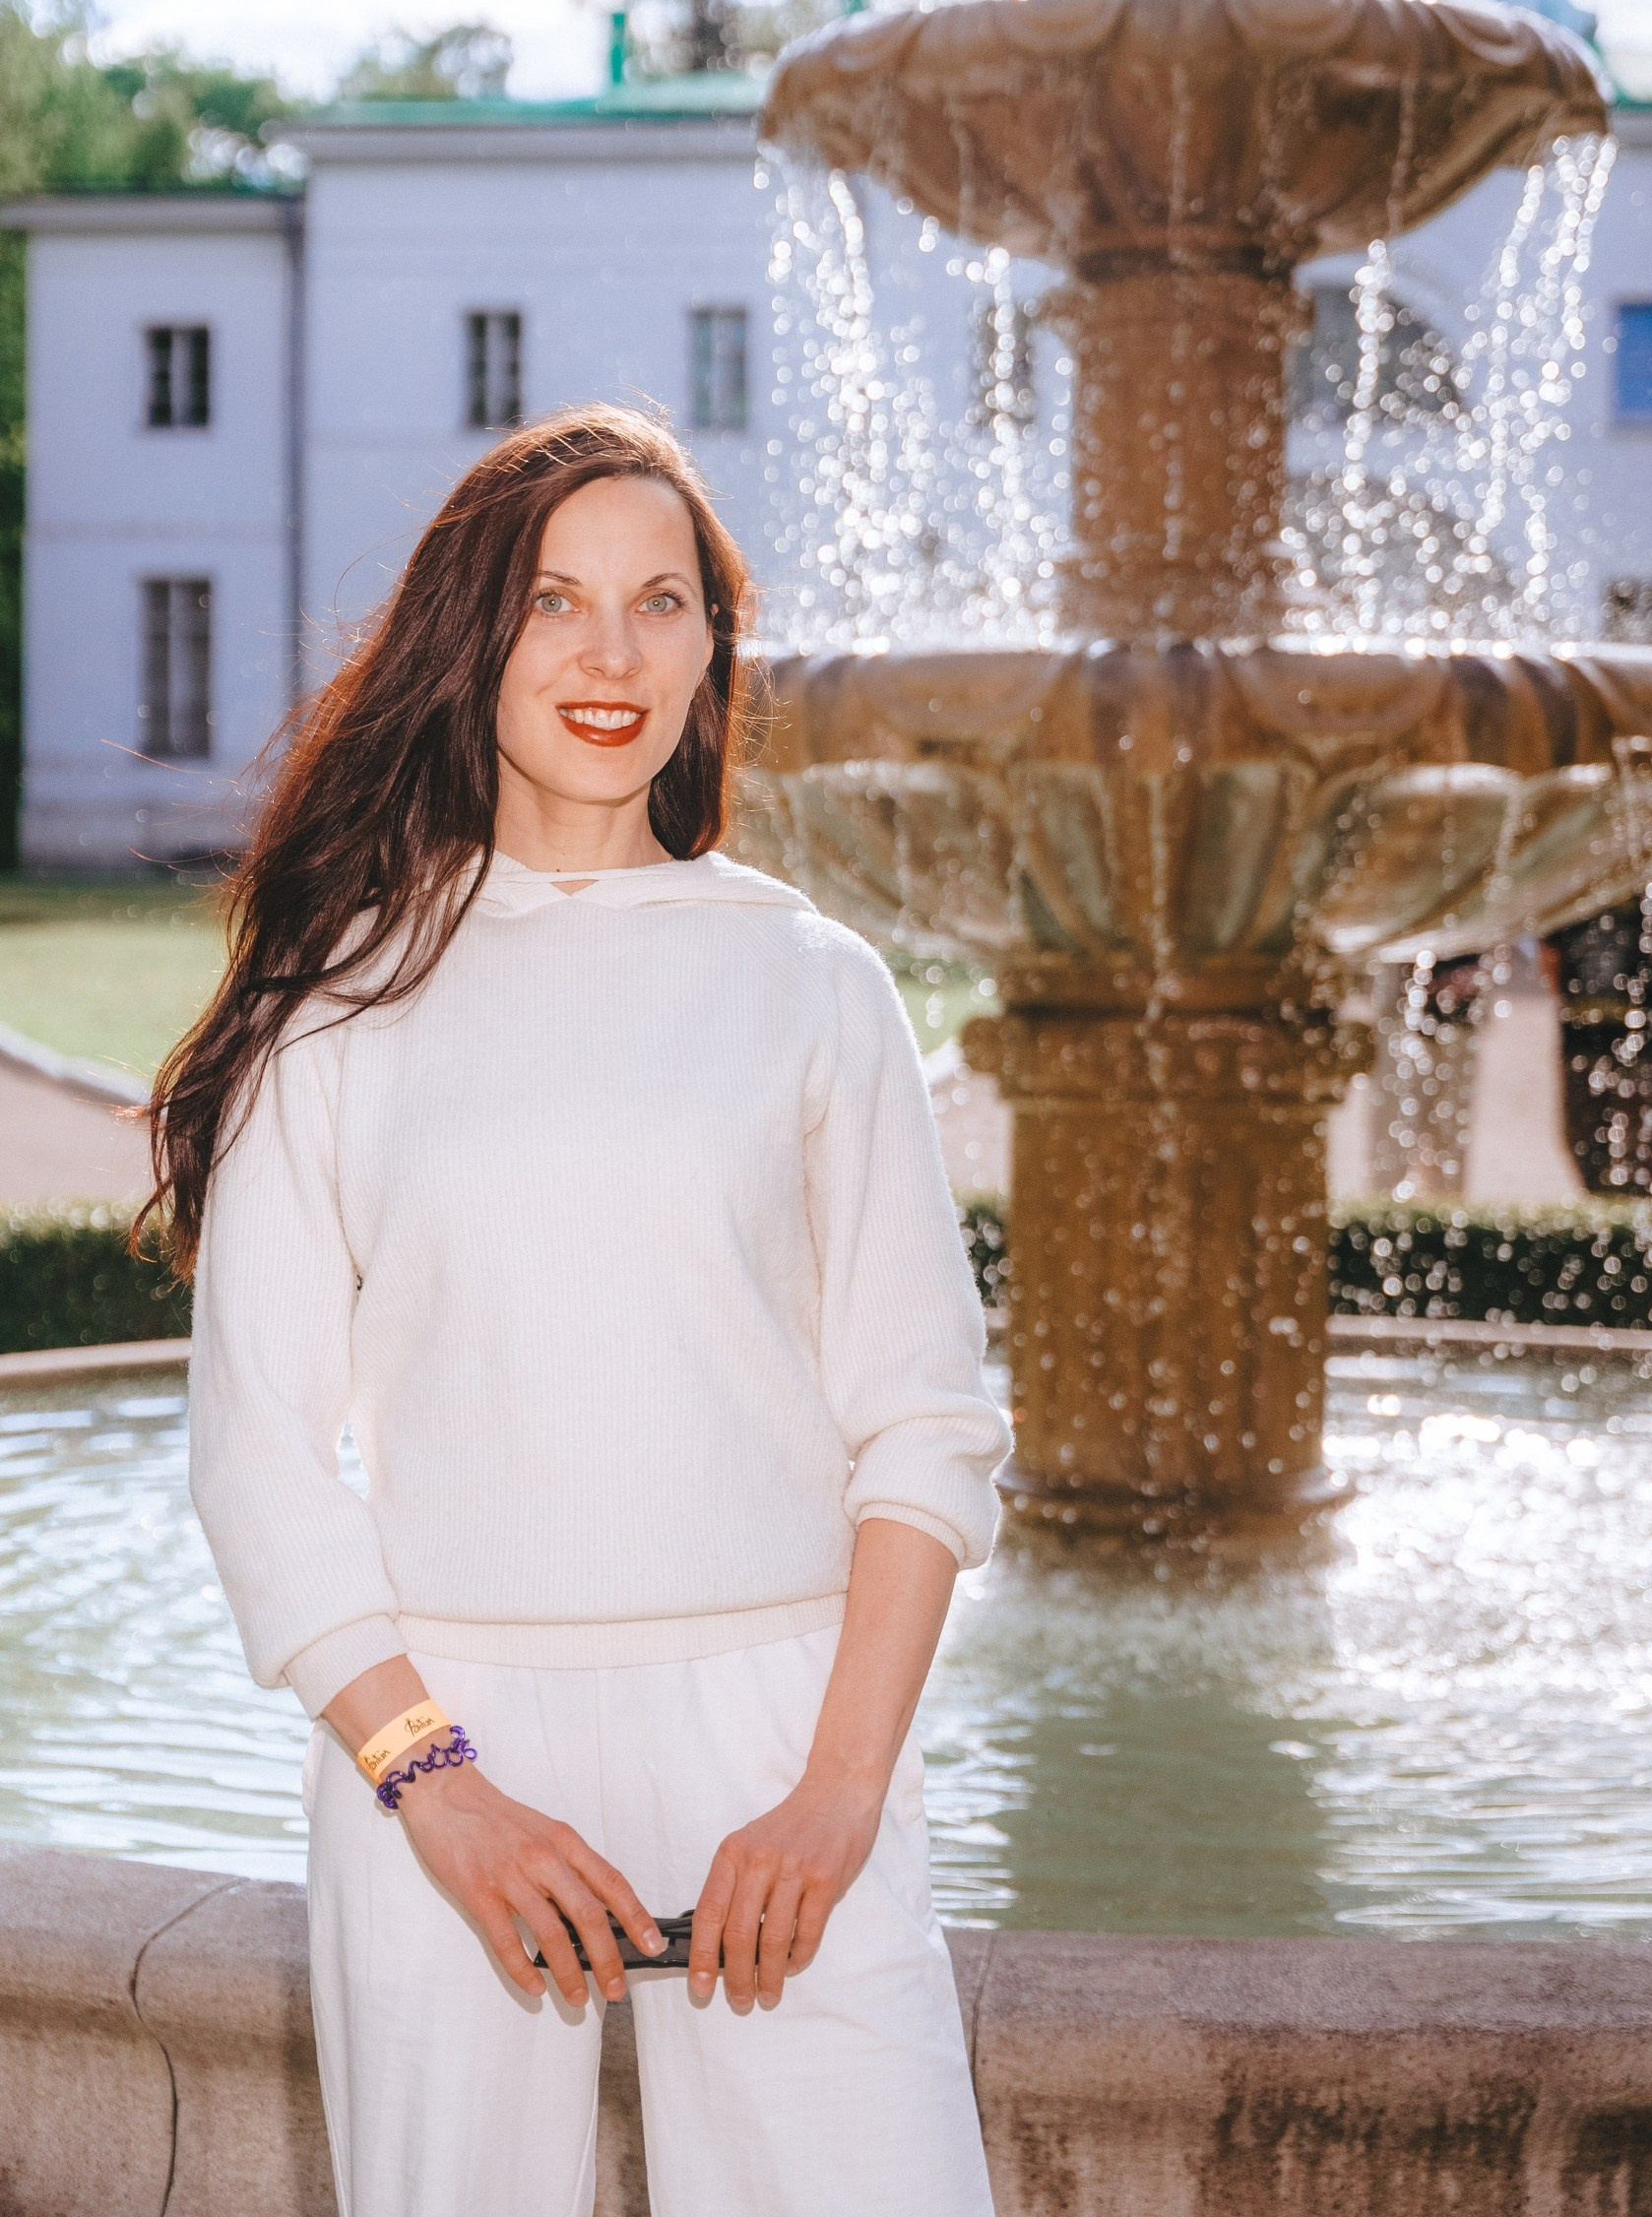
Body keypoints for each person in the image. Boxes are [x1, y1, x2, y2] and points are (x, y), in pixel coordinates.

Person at [148, 405, 1008, 2217]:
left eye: (658, 603)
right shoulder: (340, 1000)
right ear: (478, 640)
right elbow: (258, 1457)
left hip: (788, 1734)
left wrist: (840, 1790)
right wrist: (437, 1788)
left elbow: (926, 1427)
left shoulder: (816, 985)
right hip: (442, 1746)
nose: (610, 654)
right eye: (556, 601)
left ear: (711, 651)